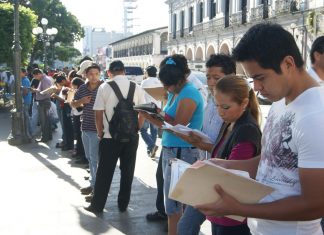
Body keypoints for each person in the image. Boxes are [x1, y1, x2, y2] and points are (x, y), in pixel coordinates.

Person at [195, 23, 324, 235]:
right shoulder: (281, 103)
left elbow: (316, 204)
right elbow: (272, 160)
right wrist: (223, 165)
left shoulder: (316, 115)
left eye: (259, 77)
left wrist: (239, 209)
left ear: (288, 64)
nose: (255, 87)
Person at [141, 55, 204, 235]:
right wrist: (154, 114)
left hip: (182, 151)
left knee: (175, 204)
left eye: (170, 84)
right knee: (173, 202)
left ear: (182, 78)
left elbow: (177, 127)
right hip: (173, 150)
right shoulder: (176, 92)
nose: (167, 88)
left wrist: (151, 118)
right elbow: (170, 120)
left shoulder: (189, 93)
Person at [177, 54, 237, 235]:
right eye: (208, 77)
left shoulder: (234, 106)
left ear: (231, 76)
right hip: (206, 169)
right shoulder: (212, 100)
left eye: (216, 78)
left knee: (187, 226)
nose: (210, 82)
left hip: (220, 177)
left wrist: (205, 146)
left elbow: (232, 150)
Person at [84, 60, 146, 213]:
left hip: (109, 138)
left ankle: (97, 205)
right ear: (124, 71)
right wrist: (137, 128)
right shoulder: (136, 87)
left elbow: (97, 112)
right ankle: (123, 204)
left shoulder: (104, 87)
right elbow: (143, 112)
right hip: (131, 137)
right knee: (128, 171)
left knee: (104, 172)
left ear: (109, 73)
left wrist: (100, 132)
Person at [72, 63, 102, 199]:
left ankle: (97, 189)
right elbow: (72, 103)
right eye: (91, 74)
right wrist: (81, 101)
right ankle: (93, 184)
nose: (94, 77)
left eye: (96, 74)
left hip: (99, 129)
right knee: (90, 158)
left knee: (95, 159)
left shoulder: (104, 87)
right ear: (86, 75)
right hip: (85, 127)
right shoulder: (83, 87)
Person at [140, 65, 161, 158]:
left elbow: (141, 96)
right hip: (157, 109)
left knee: (143, 130)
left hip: (147, 108)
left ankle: (151, 146)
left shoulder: (144, 82)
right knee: (154, 131)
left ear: (147, 73)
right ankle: (151, 149)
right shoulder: (160, 82)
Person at [31, 68, 53, 142]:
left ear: (38, 74)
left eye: (35, 76)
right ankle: (48, 136)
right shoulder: (43, 79)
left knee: (44, 121)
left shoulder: (45, 80)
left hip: (44, 102)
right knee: (46, 120)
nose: (35, 78)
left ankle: (45, 138)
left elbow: (46, 92)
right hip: (44, 101)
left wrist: (35, 90)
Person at [20, 68, 32, 140]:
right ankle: (28, 132)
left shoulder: (25, 80)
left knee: (26, 117)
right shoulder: (22, 79)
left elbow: (26, 91)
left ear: (24, 73)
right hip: (25, 100)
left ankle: (28, 133)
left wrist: (20, 96)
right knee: (25, 116)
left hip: (26, 101)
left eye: (20, 72)